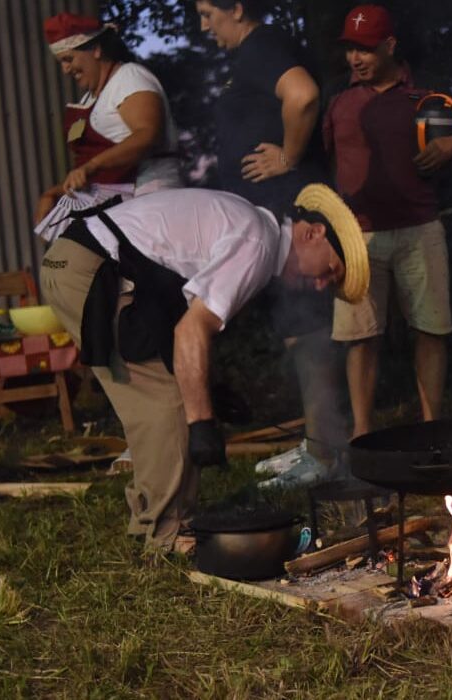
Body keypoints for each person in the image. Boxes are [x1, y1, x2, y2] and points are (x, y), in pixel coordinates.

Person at [39, 185, 368, 553]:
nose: (322, 284)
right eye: (331, 271)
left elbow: (185, 321)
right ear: (314, 233)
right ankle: (167, 532)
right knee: (171, 402)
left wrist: (208, 388)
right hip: (89, 267)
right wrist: (202, 424)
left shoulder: (254, 228)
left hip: (76, 261)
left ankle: (153, 518)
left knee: (157, 395)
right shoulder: (257, 244)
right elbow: (191, 330)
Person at [196, 0, 345, 486]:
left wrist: (289, 155)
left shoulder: (261, 44)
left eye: (207, 12)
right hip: (272, 216)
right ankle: (317, 445)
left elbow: (302, 95)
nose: (203, 25)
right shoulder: (251, 54)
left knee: (308, 335)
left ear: (236, 8)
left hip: (291, 215)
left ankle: (325, 456)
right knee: (296, 332)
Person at [325, 5, 452, 436]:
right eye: (350, 49)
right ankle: (361, 433)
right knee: (361, 336)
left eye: (365, 50)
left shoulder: (426, 97)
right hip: (358, 235)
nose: (355, 58)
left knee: (431, 330)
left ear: (389, 46)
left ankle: (432, 426)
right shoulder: (338, 101)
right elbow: (319, 164)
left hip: (420, 228)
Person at [35, 12, 182, 241]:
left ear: (95, 50)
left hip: (148, 199)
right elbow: (96, 171)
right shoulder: (91, 99)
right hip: (116, 205)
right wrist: (53, 193)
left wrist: (90, 167)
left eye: (69, 59)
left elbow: (147, 134)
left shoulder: (129, 78)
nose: (65, 69)